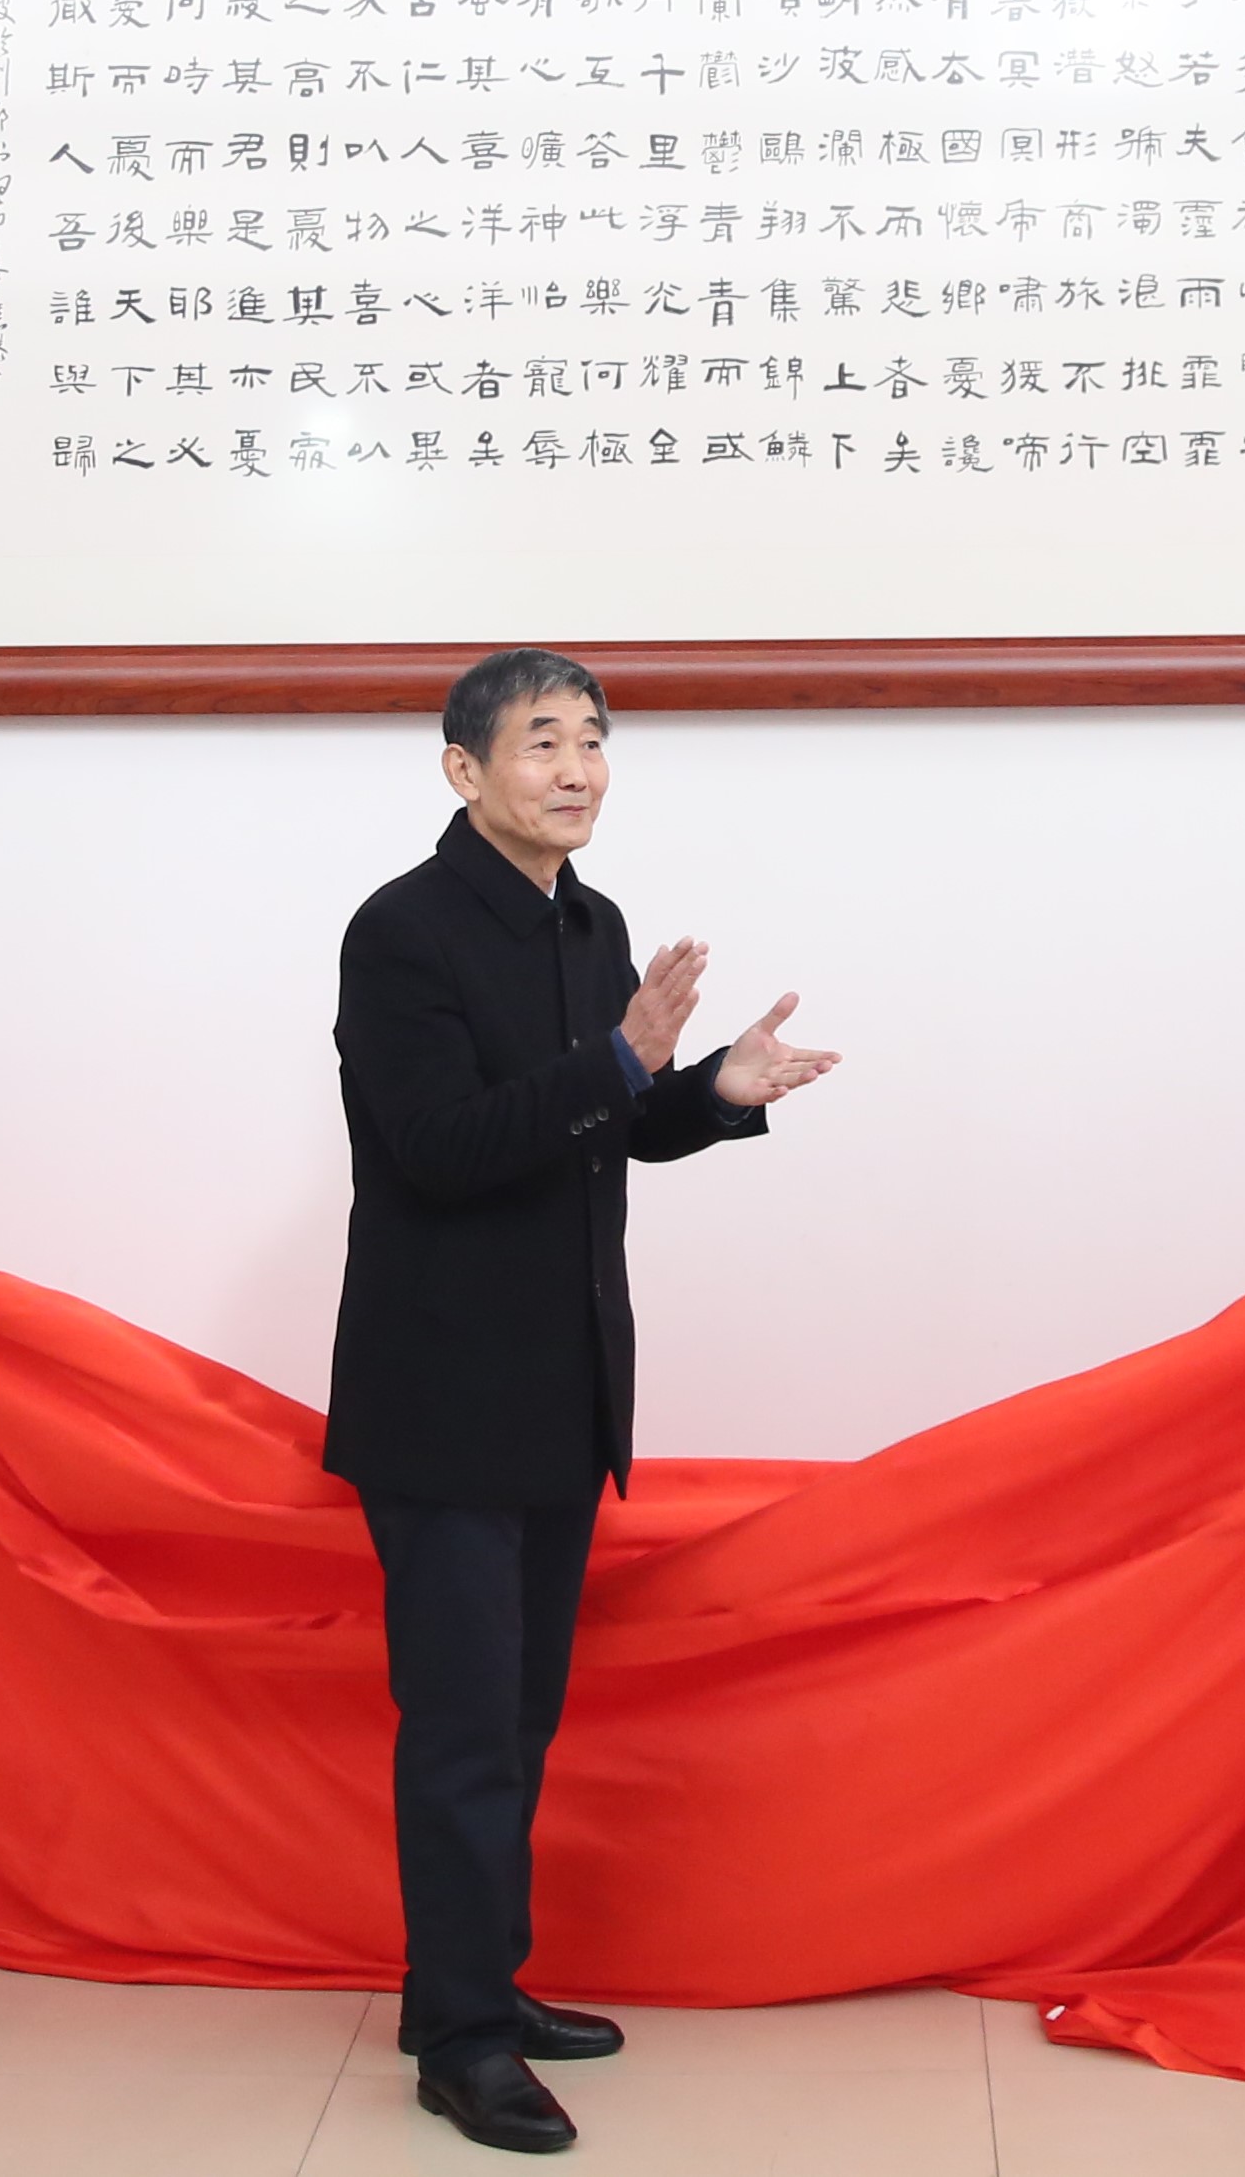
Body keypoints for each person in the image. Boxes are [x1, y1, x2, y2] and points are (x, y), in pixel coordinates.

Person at [329, 650, 839, 2154]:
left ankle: (470, 1987)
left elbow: (597, 1126)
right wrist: (620, 1060)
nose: (577, 768)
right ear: (463, 769)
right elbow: (438, 1148)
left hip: (564, 1387)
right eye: (541, 740)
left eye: (595, 740)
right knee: (465, 1731)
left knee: (522, 1717)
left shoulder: (593, 922)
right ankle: (464, 2043)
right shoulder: (401, 931)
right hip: (443, 1395)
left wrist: (707, 1095)